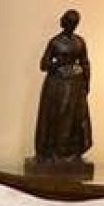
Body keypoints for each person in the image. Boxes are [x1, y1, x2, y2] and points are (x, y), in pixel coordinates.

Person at [33, 9, 92, 163]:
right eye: (68, 22)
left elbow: (85, 62)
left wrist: (86, 82)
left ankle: (71, 151)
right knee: (57, 117)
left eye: (74, 23)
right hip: (57, 85)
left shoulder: (80, 42)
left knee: (75, 119)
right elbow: (43, 64)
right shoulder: (55, 42)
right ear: (63, 23)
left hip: (75, 86)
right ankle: (52, 151)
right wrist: (59, 63)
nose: (71, 26)